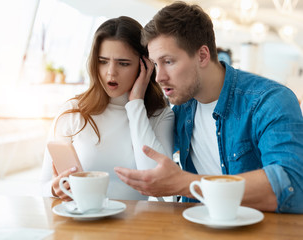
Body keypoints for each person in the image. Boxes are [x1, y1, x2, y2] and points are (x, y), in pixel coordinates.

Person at [114, 2, 303, 213]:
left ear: (203, 55)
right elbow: (150, 165)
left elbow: (292, 185)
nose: (159, 77)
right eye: (156, 64)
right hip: (195, 227)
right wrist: (136, 101)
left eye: (168, 61)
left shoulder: (269, 101)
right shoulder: (182, 110)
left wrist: (186, 183)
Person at [41, 16, 174, 201]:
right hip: (84, 222)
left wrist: (135, 104)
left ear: (145, 66)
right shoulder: (73, 112)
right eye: (103, 61)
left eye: (123, 63)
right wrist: (55, 190)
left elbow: (160, 185)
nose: (111, 72)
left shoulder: (159, 115)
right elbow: (43, 187)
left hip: (137, 227)